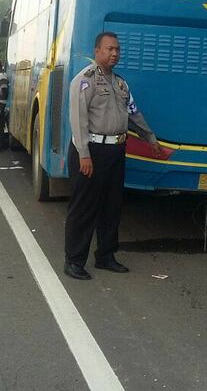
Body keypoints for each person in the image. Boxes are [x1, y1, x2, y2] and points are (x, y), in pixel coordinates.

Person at [64, 32, 164, 280]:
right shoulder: (84, 80)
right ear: (96, 51)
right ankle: (74, 261)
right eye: (109, 49)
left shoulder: (120, 84)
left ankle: (106, 256)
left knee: (112, 206)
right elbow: (78, 121)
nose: (114, 53)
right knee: (84, 208)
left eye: (117, 49)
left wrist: (151, 139)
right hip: (91, 151)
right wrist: (84, 154)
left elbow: (134, 114)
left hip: (116, 151)